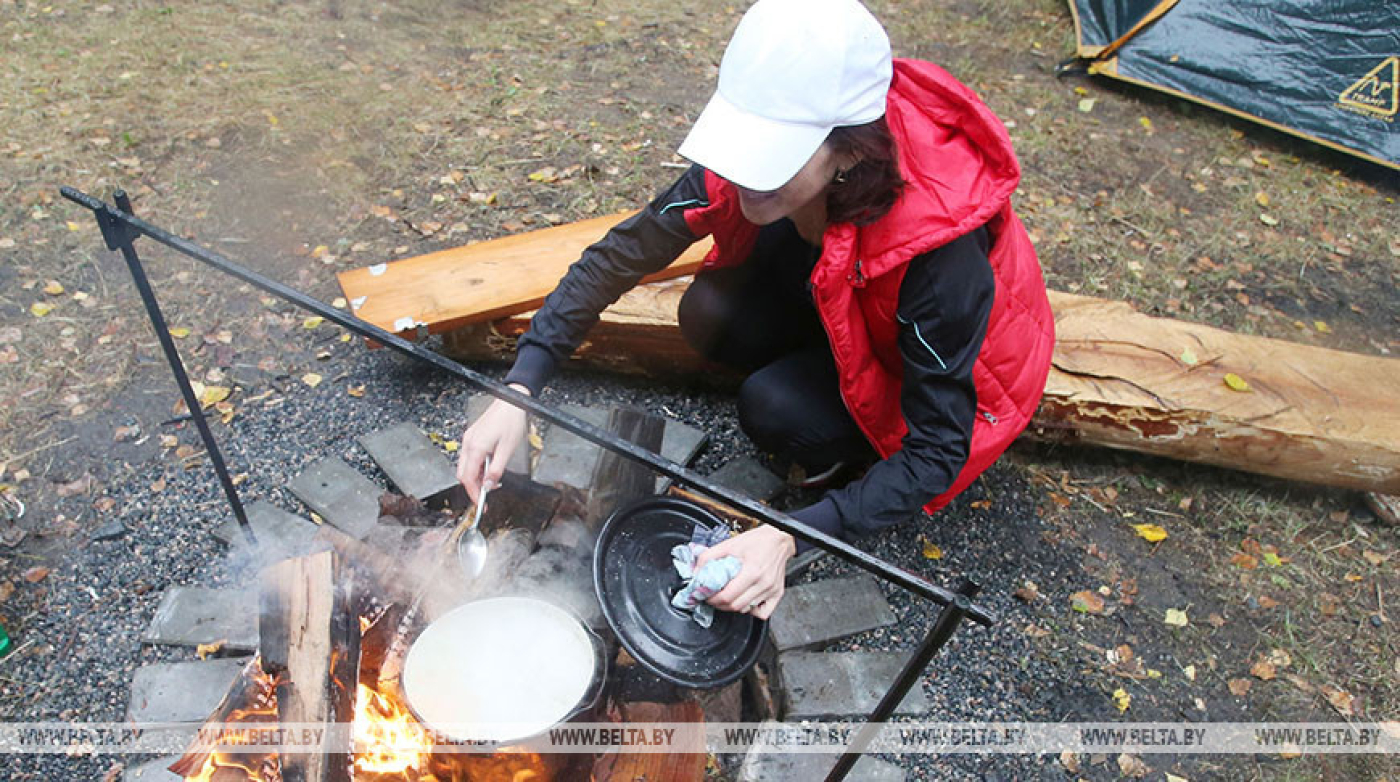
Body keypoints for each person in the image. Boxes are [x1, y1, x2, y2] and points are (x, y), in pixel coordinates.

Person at [457, 0, 1055, 620]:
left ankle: (842, 448)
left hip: (955, 380)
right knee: (711, 315)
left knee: (776, 410)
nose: (745, 176)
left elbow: (938, 451)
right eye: (744, 146)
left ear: (849, 152)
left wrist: (792, 532)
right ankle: (821, 369)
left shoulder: (939, 257)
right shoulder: (755, 171)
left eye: (772, 157)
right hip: (853, 289)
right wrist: (519, 388)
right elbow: (621, 255)